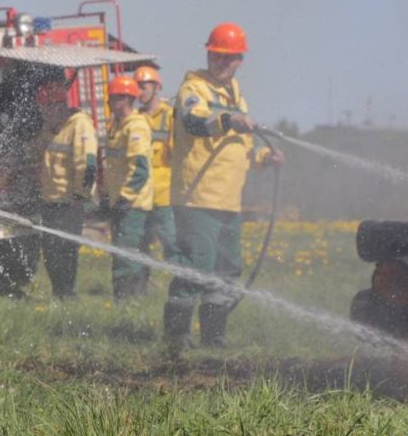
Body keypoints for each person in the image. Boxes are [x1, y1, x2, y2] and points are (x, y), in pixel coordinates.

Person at [162, 22, 284, 355]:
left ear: (239, 60)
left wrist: (263, 157)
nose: (220, 62)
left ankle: (213, 336)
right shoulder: (193, 88)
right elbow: (193, 121)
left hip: (228, 201)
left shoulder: (235, 94)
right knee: (196, 266)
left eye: (227, 58)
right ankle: (176, 337)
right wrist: (229, 120)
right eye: (215, 55)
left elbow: (237, 146)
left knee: (226, 270)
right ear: (208, 53)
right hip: (196, 198)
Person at [33, 79, 98, 298]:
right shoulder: (52, 129)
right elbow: (36, 151)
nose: (43, 114)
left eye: (45, 109)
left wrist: (79, 197)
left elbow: (87, 165)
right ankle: (60, 294)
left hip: (69, 204)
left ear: (58, 106)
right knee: (51, 253)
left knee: (65, 251)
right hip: (51, 202)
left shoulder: (79, 125)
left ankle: (68, 295)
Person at [100, 75, 154, 299]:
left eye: (115, 99)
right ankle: (131, 299)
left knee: (125, 255)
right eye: (111, 98)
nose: (112, 103)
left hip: (132, 204)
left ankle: (126, 302)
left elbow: (140, 168)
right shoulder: (117, 126)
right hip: (121, 202)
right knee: (125, 252)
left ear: (127, 99)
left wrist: (125, 197)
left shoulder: (136, 127)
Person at [134, 66, 179, 267]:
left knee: (171, 241)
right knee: (140, 243)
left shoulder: (170, 116)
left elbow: (178, 153)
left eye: (144, 87)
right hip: (141, 193)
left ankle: (182, 283)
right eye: (137, 87)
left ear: (156, 87)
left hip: (163, 193)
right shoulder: (135, 118)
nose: (139, 92)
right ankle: (140, 288)